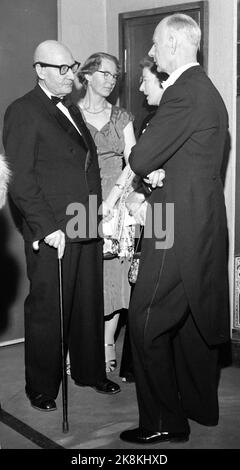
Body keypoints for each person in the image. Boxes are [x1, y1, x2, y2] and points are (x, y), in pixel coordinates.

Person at [120, 13, 230, 445]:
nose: (149, 53)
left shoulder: (182, 92)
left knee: (145, 323)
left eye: (153, 45)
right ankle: (199, 407)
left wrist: (150, 169)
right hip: (197, 222)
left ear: (174, 45)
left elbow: (141, 159)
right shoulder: (207, 90)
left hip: (174, 226)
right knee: (191, 321)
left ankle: (165, 421)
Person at [3, 40, 120, 413]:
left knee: (88, 300)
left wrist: (97, 212)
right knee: (49, 308)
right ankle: (42, 386)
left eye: (72, 67)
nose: (71, 75)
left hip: (84, 218)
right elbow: (19, 178)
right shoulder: (23, 111)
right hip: (53, 227)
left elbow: (87, 167)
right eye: (62, 69)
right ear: (40, 70)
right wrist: (45, 226)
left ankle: (89, 371)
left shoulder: (71, 107)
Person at [76, 52, 137, 373]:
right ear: (86, 75)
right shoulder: (71, 115)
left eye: (115, 76)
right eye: (105, 73)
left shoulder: (122, 117)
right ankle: (80, 347)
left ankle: (106, 344)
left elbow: (134, 162)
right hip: (81, 201)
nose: (111, 80)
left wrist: (113, 202)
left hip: (117, 204)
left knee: (115, 277)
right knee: (85, 275)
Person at [119, 57, 168, 383]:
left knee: (161, 287)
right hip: (148, 213)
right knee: (144, 285)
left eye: (145, 80)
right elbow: (137, 167)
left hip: (167, 213)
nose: (139, 87)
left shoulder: (174, 120)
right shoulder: (149, 120)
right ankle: (137, 366)